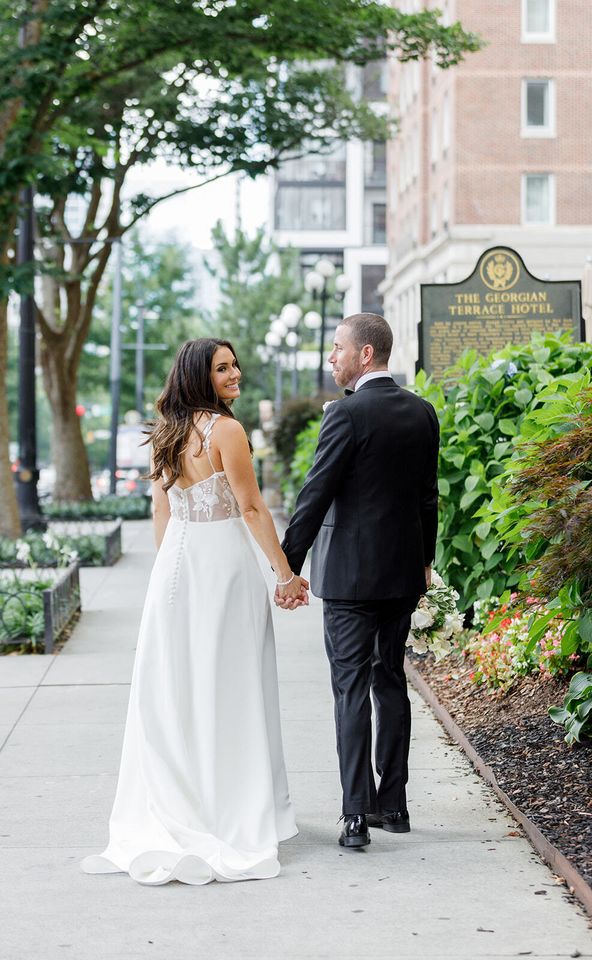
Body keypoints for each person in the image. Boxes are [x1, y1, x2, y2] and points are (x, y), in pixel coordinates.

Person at [81, 338, 306, 885]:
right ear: (198, 377)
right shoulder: (225, 431)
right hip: (222, 567)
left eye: (235, 363)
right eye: (222, 367)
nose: (235, 372)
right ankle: (229, 808)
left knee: (175, 688)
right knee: (230, 685)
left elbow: (162, 510)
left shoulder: (167, 433)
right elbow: (251, 508)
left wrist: (168, 576)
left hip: (176, 569)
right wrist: (286, 575)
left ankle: (183, 801)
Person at [278, 313, 439, 849]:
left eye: (337, 348)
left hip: (348, 579)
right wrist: (425, 561)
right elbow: (427, 497)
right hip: (400, 574)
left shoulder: (345, 415)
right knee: (390, 682)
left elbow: (315, 494)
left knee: (350, 689)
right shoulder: (422, 412)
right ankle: (393, 805)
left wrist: (287, 565)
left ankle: (353, 816)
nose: (331, 358)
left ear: (364, 355)